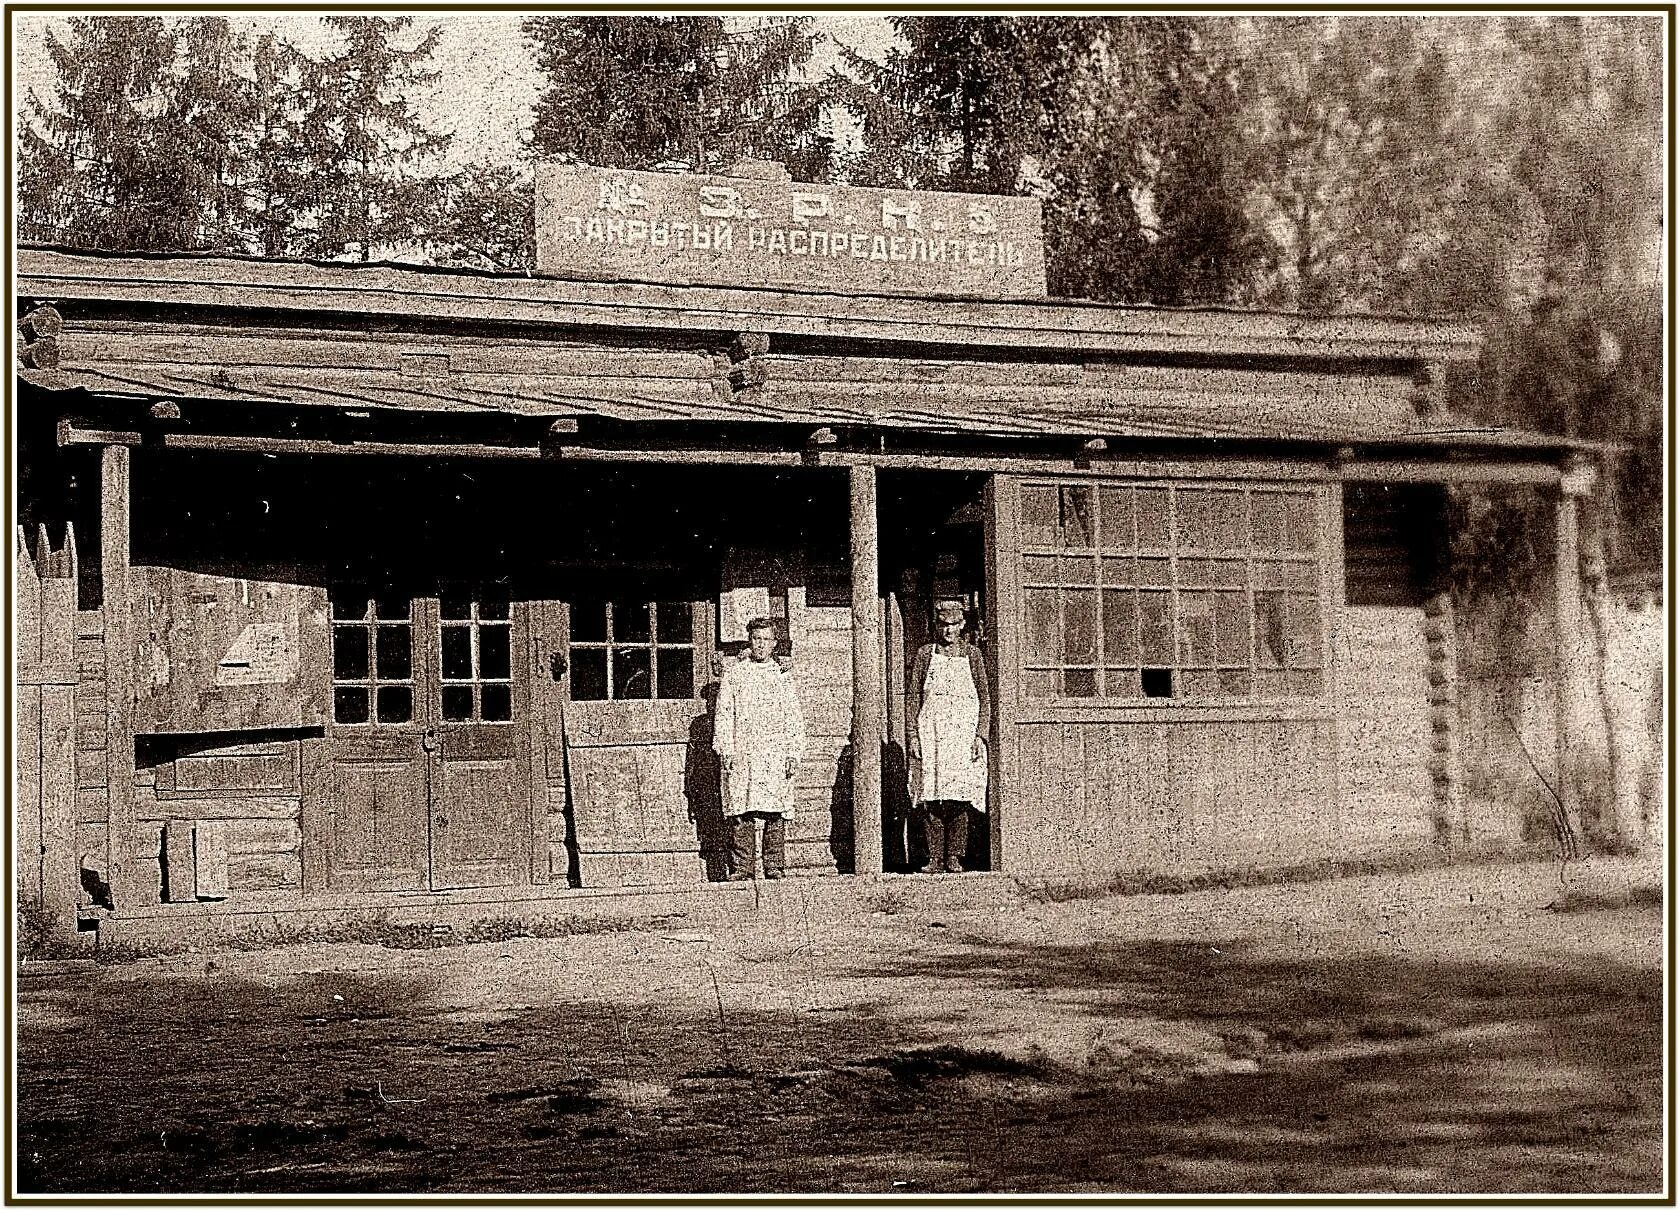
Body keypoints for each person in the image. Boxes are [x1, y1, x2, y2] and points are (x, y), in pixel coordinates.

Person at [713, 616, 805, 880]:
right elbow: (724, 714)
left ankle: (774, 866)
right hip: (743, 749)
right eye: (756, 639)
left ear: (774, 643)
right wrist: (726, 749)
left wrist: (793, 752)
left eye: (766, 639)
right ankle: (743, 868)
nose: (761, 645)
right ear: (749, 641)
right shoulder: (735, 674)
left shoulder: (782, 676)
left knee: (775, 808)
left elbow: (793, 717)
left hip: (774, 751)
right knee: (741, 808)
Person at [907, 597, 991, 874]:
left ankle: (955, 855)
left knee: (960, 796)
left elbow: (984, 698)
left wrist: (980, 735)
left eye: (954, 625)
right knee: (932, 795)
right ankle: (934, 858)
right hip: (932, 733)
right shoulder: (924, 654)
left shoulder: (973, 655)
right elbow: (912, 699)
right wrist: (913, 736)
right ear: (936, 626)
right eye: (943, 625)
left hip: (962, 735)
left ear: (963, 625)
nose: (948, 631)